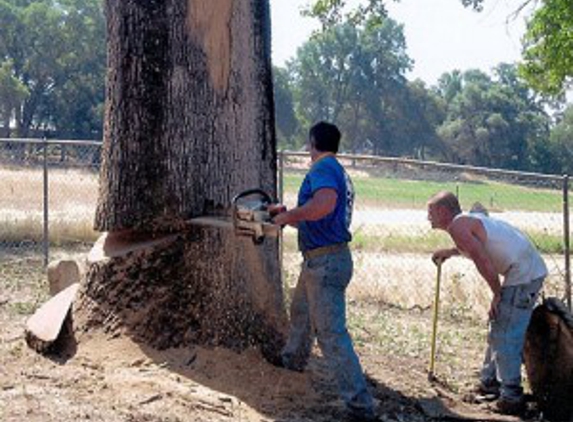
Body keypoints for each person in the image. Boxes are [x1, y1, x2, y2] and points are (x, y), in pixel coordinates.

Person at [270, 121, 376, 421]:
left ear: (313, 142)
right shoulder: (336, 169)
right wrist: (286, 216)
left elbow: (324, 206)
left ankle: (360, 406)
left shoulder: (323, 168)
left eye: (307, 143)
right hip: (323, 258)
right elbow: (318, 215)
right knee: (301, 312)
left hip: (326, 262)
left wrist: (290, 214)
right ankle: (292, 361)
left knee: (331, 333)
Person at [427, 191, 547, 415]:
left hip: (523, 275)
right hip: (526, 269)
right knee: (498, 325)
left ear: (443, 211)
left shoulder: (458, 226)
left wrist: (496, 293)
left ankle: (511, 397)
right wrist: (451, 253)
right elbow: (476, 247)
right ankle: (489, 383)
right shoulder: (465, 222)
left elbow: (482, 260)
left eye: (430, 212)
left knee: (505, 333)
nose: (428, 218)